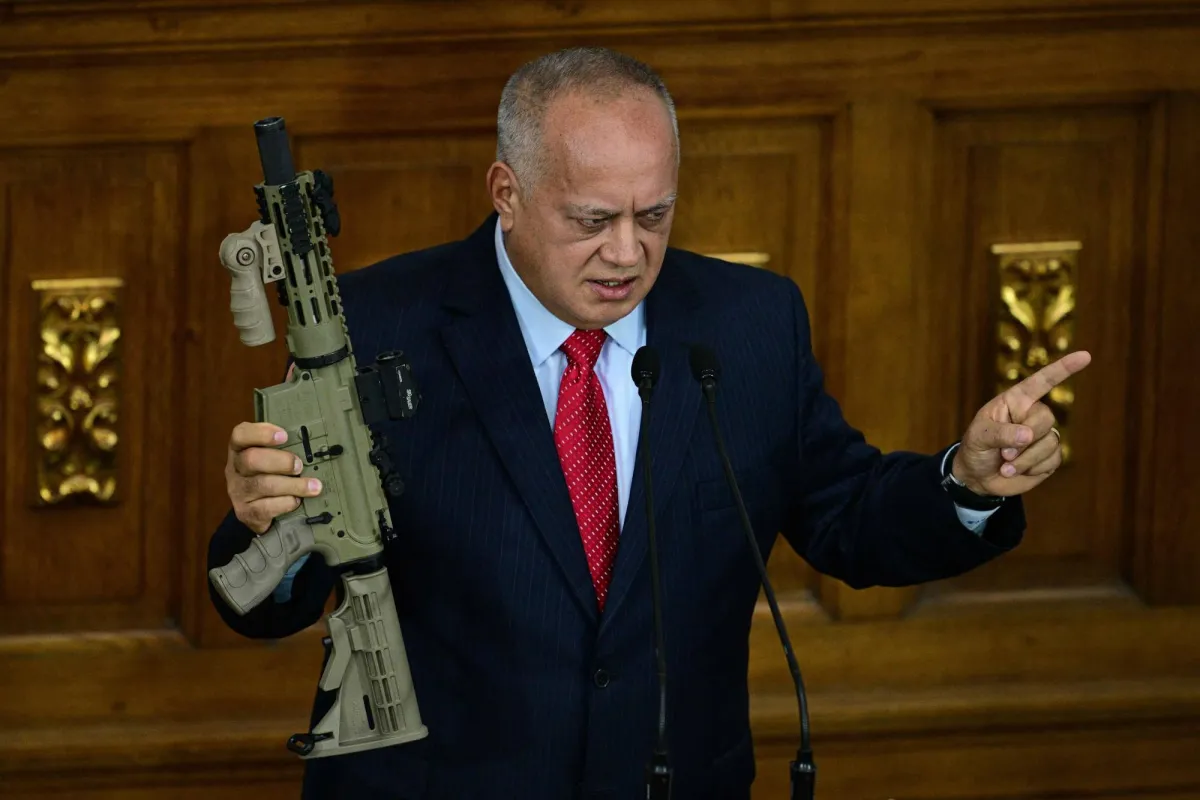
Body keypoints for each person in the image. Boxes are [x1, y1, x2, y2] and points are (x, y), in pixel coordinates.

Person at [207, 46, 1090, 800]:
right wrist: (265, 518)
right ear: (507, 191)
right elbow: (275, 601)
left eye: (654, 215)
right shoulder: (373, 326)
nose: (628, 253)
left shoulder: (749, 324)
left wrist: (967, 484)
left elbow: (849, 517)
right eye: (592, 220)